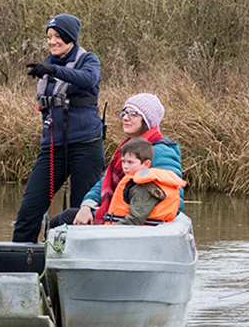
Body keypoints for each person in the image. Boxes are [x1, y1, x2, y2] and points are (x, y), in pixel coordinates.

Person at [12, 14, 105, 243]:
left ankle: (80, 266)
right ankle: (19, 264)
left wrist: (54, 71)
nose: (52, 41)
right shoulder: (48, 63)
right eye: (49, 37)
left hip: (85, 146)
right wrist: (50, 69)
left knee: (80, 213)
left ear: (70, 38)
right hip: (53, 147)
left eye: (57, 37)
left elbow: (89, 79)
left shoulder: (88, 60)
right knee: (28, 211)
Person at [59, 93, 184, 227]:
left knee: (65, 218)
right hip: (117, 214)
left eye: (133, 114)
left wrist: (127, 222)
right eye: (124, 113)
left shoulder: (160, 151)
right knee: (67, 216)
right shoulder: (130, 148)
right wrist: (87, 206)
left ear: (147, 120)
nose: (125, 118)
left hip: (137, 222)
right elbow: (103, 183)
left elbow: (172, 194)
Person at [102, 137, 187, 226]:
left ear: (146, 164)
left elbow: (137, 218)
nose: (125, 166)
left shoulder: (144, 187)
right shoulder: (133, 182)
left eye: (130, 162)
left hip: (135, 233)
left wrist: (113, 230)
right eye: (123, 161)